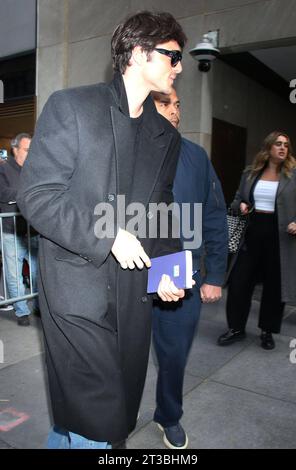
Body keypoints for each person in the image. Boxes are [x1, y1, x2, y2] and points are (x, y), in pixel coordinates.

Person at [17, 11, 188, 449]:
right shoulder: (72, 106)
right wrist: (109, 234)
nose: (179, 67)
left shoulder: (165, 136)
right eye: (171, 56)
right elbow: (37, 196)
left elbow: (161, 207)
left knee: (101, 413)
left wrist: (168, 270)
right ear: (138, 52)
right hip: (75, 285)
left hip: (133, 291)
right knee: (102, 416)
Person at [151, 89, 228, 449]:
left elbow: (213, 216)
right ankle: (113, 416)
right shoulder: (125, 152)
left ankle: (168, 415)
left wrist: (214, 274)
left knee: (174, 353)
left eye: (178, 104)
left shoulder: (196, 157)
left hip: (182, 271)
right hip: (129, 269)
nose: (175, 110)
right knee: (122, 356)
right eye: (165, 103)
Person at [218, 131, 296, 350]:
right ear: (269, 147)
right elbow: (236, 200)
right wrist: (240, 205)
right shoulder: (250, 173)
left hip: (281, 237)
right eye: (278, 144)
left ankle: (267, 331)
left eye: (286, 145)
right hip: (252, 234)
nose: (283, 148)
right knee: (239, 282)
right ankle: (236, 328)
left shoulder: (293, 175)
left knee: (274, 286)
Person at [0, 133, 39, 326]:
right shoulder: (3, 169)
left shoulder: (33, 171)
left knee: (38, 272)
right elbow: (2, 193)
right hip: (11, 231)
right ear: (15, 150)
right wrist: (26, 194)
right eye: (27, 150)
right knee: (14, 276)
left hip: (33, 231)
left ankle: (40, 306)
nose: (31, 154)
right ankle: (22, 311)